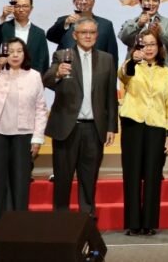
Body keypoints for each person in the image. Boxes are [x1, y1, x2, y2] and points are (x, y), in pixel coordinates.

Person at [43, 17, 117, 217]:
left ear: (97, 35)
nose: (88, 36)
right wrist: (57, 74)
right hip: (67, 127)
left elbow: (110, 95)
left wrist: (111, 127)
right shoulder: (62, 55)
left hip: (94, 129)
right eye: (84, 32)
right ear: (75, 35)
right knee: (63, 178)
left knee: (89, 178)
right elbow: (47, 80)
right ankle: (61, 219)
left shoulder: (106, 59)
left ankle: (87, 219)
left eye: (92, 32)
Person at [0, 37, 47, 236]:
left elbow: (41, 109)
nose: (15, 55)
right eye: (10, 51)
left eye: (19, 51)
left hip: (23, 134)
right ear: (4, 54)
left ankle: (19, 226)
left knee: (20, 180)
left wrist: (37, 138)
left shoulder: (34, 76)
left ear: (25, 54)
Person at [119, 28, 168, 236]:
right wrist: (133, 60)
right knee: (132, 174)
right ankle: (133, 223)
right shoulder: (132, 66)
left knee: (153, 175)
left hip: (156, 126)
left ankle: (149, 223)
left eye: (153, 44)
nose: (149, 48)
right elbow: (123, 75)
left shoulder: (166, 72)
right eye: (144, 44)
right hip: (133, 124)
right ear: (138, 47)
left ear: (159, 47)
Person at [45, 0, 119, 64]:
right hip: (67, 69)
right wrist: (66, 23)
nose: (84, 2)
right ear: (74, 1)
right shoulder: (65, 21)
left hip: (97, 68)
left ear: (93, 2)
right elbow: (50, 37)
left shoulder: (106, 25)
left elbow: (112, 56)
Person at [0, 0, 49, 73]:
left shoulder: (39, 33)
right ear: (12, 8)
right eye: (17, 6)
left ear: (31, 8)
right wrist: (3, 17)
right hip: (5, 74)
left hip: (30, 76)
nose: (21, 9)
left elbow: (44, 59)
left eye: (25, 6)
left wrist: (39, 79)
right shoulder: (4, 27)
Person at [118, 0, 168, 68]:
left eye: (154, 0)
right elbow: (124, 38)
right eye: (147, 0)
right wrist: (138, 25)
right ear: (140, 2)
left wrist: (161, 33)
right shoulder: (131, 23)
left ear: (159, 2)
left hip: (161, 71)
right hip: (136, 71)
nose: (151, 3)